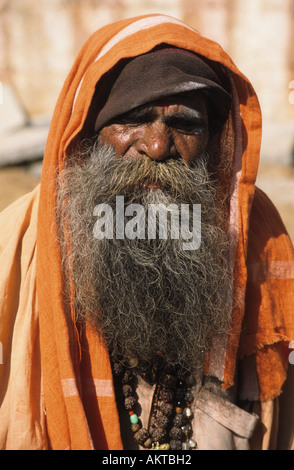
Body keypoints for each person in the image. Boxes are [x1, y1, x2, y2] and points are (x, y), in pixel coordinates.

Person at [0, 14, 293, 451]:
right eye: (133, 118)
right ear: (87, 136)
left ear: (212, 140)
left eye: (186, 124)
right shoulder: (17, 243)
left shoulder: (250, 231)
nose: (157, 147)